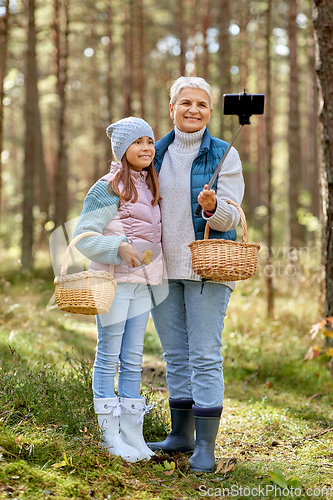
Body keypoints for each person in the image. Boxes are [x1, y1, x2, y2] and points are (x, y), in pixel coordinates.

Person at [147, 76, 245, 472]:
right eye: (184, 102)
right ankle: (181, 435)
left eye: (201, 104)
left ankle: (205, 446)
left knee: (204, 355)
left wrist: (212, 206)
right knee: (175, 355)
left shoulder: (225, 154)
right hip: (161, 268)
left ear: (210, 110)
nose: (193, 110)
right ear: (171, 108)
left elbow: (233, 215)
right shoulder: (151, 154)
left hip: (209, 269)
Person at [73, 117, 162, 462]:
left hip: (143, 284)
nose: (146, 148)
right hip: (113, 284)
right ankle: (109, 437)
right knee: (109, 354)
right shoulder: (108, 186)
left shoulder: (150, 186)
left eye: (149, 142)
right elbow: (83, 236)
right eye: (137, 142)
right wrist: (118, 248)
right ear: (122, 149)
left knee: (133, 359)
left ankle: (133, 436)